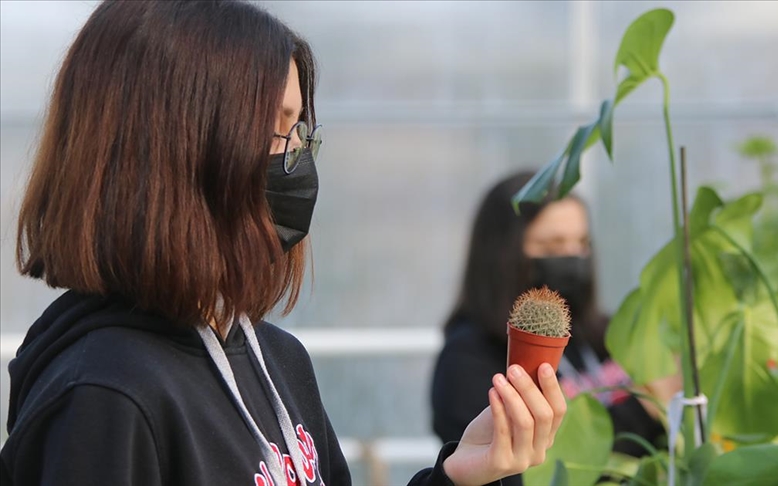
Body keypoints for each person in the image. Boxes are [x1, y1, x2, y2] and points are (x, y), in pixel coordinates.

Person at [0, 2, 568, 485]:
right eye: (277, 129)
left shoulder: (274, 356)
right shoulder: (107, 398)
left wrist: (456, 476)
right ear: (179, 150)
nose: (296, 159)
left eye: (301, 132)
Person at [431, 172, 672, 485]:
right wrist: (645, 409)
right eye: (552, 245)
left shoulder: (603, 334)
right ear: (503, 253)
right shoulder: (467, 360)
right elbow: (522, 474)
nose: (573, 257)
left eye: (582, 244)